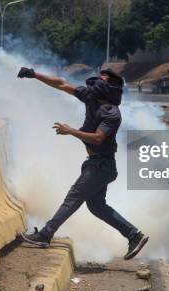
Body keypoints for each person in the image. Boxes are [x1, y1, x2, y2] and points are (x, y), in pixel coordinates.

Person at [16, 67, 149, 260]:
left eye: (104, 78)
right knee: (96, 207)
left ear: (112, 87)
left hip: (102, 166)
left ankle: (46, 234)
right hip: (95, 164)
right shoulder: (90, 97)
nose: (99, 79)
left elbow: (97, 138)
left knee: (74, 196)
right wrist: (35, 75)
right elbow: (61, 84)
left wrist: (71, 131)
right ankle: (134, 235)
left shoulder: (112, 113)